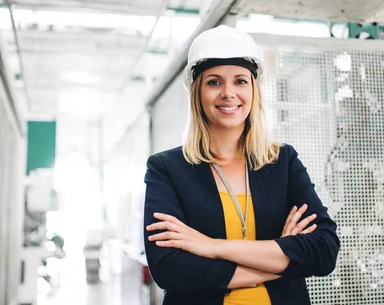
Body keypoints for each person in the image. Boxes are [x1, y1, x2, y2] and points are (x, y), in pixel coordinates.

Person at [143, 25, 340, 305]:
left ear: (253, 90)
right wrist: (282, 259)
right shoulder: (167, 168)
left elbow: (323, 251)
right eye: (214, 82)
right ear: (197, 92)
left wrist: (211, 247)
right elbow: (169, 269)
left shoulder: (283, 161)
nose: (228, 93)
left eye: (240, 81)